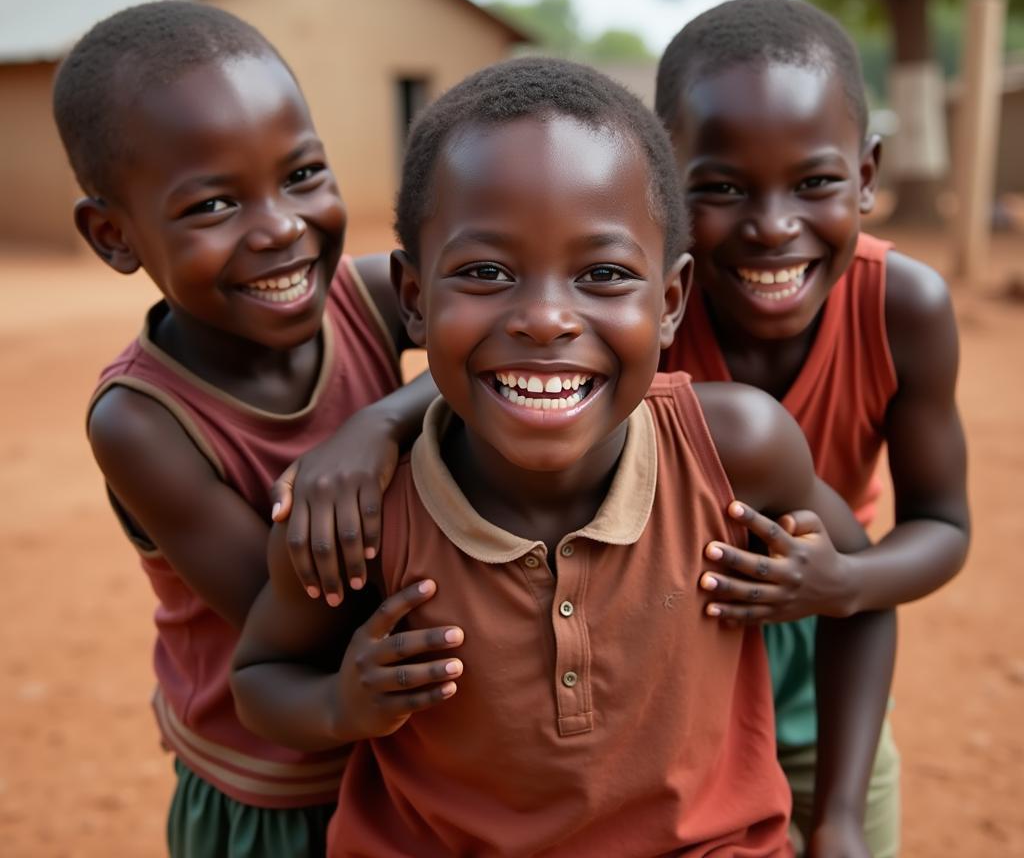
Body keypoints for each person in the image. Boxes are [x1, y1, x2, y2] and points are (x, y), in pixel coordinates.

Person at [231, 57, 896, 858]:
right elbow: (259, 680)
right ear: (413, 298)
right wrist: (341, 705)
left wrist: (842, 821)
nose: (545, 318)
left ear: (671, 302)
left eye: (604, 274)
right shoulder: (362, 511)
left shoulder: (733, 453)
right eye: (485, 272)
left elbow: (860, 597)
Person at [53, 0, 436, 858]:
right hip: (274, 797)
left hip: (411, 759)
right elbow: (293, 624)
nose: (280, 228)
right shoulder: (144, 423)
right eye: (215, 204)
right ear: (114, 235)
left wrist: (376, 424)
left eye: (302, 175)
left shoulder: (371, 299)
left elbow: (499, 327)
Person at [654, 0, 970, 857]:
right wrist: (382, 425)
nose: (772, 226)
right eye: (719, 188)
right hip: (674, 661)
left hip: (834, 645)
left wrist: (840, 584)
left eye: (816, 182)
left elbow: (941, 527)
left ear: (867, 175)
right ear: (659, 184)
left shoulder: (901, 308)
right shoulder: (640, 313)